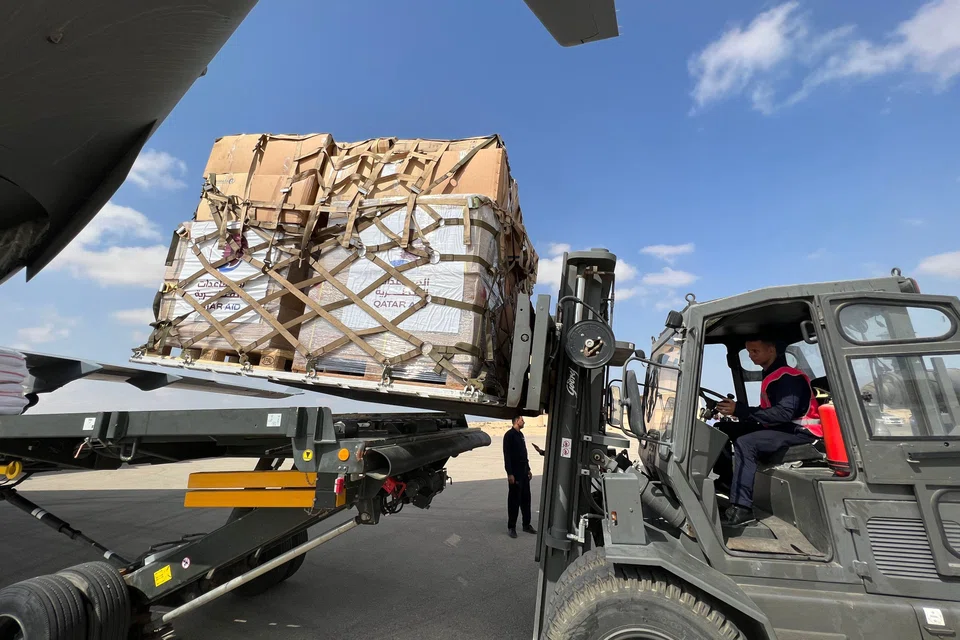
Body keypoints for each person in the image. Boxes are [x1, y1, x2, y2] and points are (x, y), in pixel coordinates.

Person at [715, 336, 823, 527]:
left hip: (802, 431)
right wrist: (736, 411)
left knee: (746, 443)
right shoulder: (773, 375)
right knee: (722, 429)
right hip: (783, 427)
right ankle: (728, 484)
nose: (751, 356)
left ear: (771, 350)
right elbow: (770, 412)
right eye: (748, 352)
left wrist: (740, 410)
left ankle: (742, 510)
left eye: (755, 351)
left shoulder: (789, 377)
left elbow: (784, 413)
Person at [503, 414, 537, 538]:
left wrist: (528, 469)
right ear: (517, 421)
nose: (524, 422)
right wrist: (510, 473)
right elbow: (507, 456)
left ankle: (526, 524)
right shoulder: (509, 435)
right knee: (514, 500)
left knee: (526, 499)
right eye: (522, 420)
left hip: (523, 472)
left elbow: (524, 453)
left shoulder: (521, 435)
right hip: (515, 473)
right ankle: (511, 527)